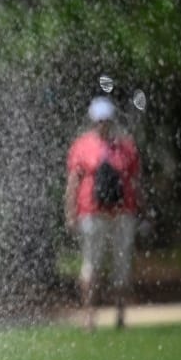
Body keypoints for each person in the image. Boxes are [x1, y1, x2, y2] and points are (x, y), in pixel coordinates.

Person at [65, 96, 141, 330]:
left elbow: (136, 181)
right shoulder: (82, 146)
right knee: (92, 265)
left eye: (105, 120)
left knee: (121, 266)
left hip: (122, 212)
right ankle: (89, 316)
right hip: (92, 212)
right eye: (100, 120)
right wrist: (71, 212)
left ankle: (120, 314)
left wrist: (143, 210)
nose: (103, 124)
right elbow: (73, 182)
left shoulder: (126, 147)